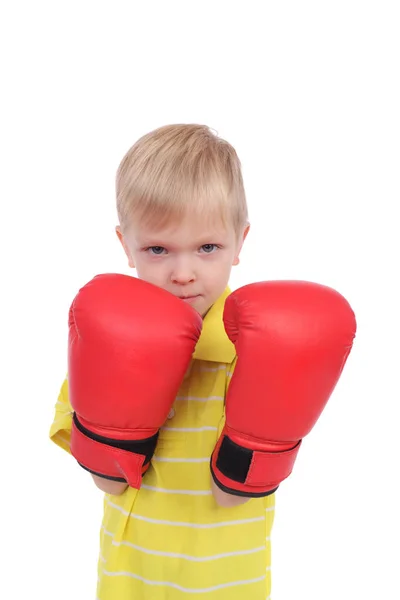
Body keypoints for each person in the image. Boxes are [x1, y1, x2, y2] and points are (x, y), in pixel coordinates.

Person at [49, 124, 356, 599]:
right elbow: (109, 482)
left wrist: (258, 444)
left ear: (241, 242)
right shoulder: (103, 336)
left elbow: (233, 492)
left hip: (228, 586)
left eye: (208, 247)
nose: (184, 273)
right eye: (158, 249)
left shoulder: (255, 351)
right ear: (124, 246)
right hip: (127, 582)